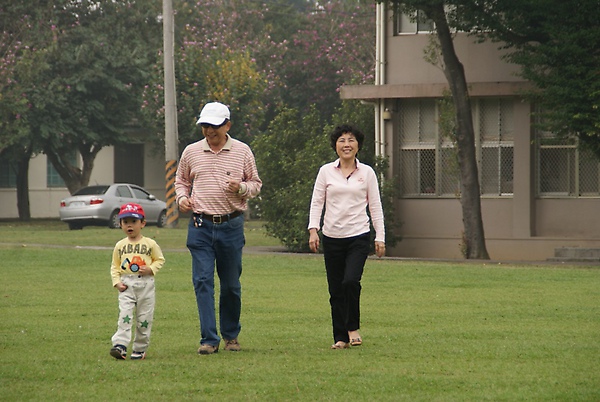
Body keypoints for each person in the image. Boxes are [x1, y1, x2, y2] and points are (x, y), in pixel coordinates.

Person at [175, 101, 262, 355]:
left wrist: (241, 188)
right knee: (202, 281)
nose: (209, 131)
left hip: (231, 226)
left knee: (231, 284)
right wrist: (181, 198)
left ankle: (231, 336)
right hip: (200, 225)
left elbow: (255, 184)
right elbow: (181, 180)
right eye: (205, 126)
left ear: (227, 125)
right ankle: (209, 339)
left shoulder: (242, 151)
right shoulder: (191, 151)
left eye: (214, 126)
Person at [308, 124, 385, 350]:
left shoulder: (367, 173)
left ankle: (353, 327)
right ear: (335, 146)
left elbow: (376, 206)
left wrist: (380, 236)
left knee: (350, 281)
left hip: (358, 235)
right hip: (332, 236)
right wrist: (314, 229)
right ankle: (340, 337)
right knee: (335, 289)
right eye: (342, 140)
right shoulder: (326, 171)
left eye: (351, 140)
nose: (346, 144)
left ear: (358, 145)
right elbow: (317, 201)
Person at [110, 202, 165, 360]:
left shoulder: (150, 244)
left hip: (145, 284)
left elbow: (159, 260)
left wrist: (150, 269)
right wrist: (117, 282)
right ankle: (120, 345)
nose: (130, 226)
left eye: (134, 222)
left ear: (142, 223)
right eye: (125, 222)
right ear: (120, 224)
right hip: (126, 284)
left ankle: (140, 348)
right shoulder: (120, 246)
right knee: (125, 315)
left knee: (144, 318)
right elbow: (115, 266)